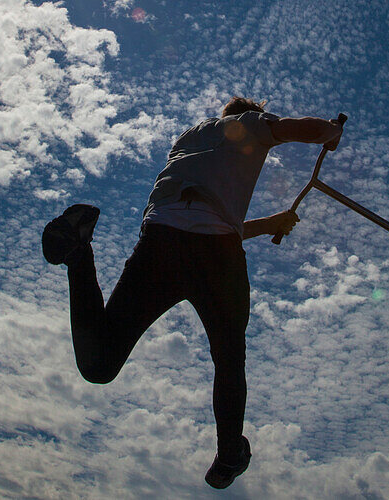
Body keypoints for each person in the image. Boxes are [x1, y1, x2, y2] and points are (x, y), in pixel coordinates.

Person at [42, 97, 344, 490]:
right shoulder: (249, 124)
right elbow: (302, 128)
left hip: (162, 241)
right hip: (216, 254)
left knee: (98, 365)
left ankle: (79, 252)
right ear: (245, 113)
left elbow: (201, 215)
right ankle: (230, 453)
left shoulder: (187, 140)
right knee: (229, 359)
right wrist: (331, 132)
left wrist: (270, 222)